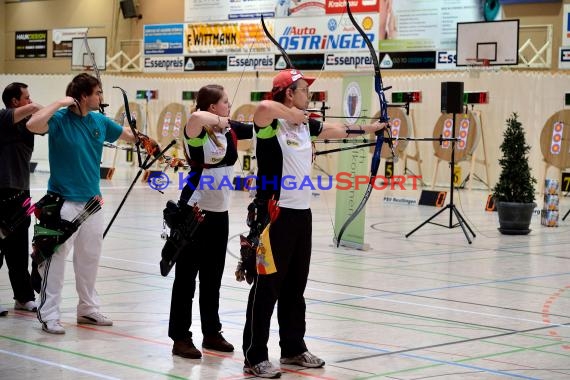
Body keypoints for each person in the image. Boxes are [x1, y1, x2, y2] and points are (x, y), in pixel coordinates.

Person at [242, 69, 386, 378]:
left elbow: (337, 130)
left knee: (295, 286)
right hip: (273, 214)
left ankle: (293, 348)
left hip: (301, 214)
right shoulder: (271, 126)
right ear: (289, 94)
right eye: (304, 91)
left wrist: (372, 128)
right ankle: (254, 356)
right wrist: (295, 114)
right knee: (267, 287)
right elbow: (263, 109)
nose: (310, 96)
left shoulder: (306, 126)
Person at [26, 73, 137, 334]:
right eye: (97, 92)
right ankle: (49, 313)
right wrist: (60, 102)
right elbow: (32, 124)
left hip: (91, 204)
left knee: (89, 258)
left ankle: (87, 308)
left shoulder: (99, 120)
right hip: (63, 203)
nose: (101, 97)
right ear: (83, 96)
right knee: (55, 259)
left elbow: (128, 136)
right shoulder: (59, 119)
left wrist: (145, 139)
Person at [168, 84, 253, 359]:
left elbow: (261, 127)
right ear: (213, 107)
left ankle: (211, 333)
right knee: (186, 279)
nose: (229, 106)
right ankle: (180, 337)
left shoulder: (230, 130)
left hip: (220, 213)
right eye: (225, 102)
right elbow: (194, 118)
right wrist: (219, 120)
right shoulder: (197, 133)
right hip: (195, 211)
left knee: (213, 277)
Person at [0, 82, 42, 316]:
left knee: (18, 248)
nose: (30, 100)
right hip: (0, 193)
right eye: (26, 97)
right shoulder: (3, 117)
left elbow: (45, 122)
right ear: (15, 101)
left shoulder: (30, 125)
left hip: (22, 195)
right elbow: (36, 108)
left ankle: (23, 297)